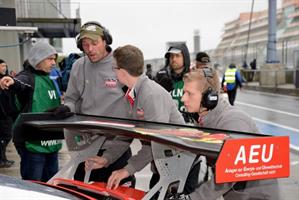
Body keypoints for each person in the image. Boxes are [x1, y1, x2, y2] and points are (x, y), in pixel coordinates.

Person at [84, 44, 185, 190]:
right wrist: (106, 159)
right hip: (164, 167)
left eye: (114, 68)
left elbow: (157, 142)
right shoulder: (132, 94)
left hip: (180, 168)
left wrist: (127, 170)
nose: (113, 72)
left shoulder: (151, 95)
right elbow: (126, 135)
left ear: (123, 71)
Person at [173, 67, 280, 200]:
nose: (183, 98)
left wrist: (193, 198)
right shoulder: (205, 120)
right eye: (184, 93)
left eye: (189, 93)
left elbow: (230, 174)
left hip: (257, 196)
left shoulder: (233, 122)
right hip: (238, 195)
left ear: (209, 97)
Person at [51, 21, 134, 184]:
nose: (89, 49)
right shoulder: (78, 66)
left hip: (115, 147)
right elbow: (71, 98)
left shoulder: (121, 65)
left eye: (94, 43)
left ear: (105, 41)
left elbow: (136, 101)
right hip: (86, 148)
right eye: (85, 44)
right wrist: (66, 108)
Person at [0, 42, 63, 182]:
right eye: (49, 59)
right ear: (38, 60)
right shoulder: (28, 77)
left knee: (52, 185)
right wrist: (11, 81)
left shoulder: (49, 78)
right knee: (34, 187)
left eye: (54, 59)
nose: (54, 63)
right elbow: (21, 83)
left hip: (51, 142)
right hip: (33, 144)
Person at [155, 43, 191, 122]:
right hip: (168, 124)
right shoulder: (161, 78)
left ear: (185, 58)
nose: (174, 59)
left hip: (189, 125)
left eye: (177, 56)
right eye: (171, 56)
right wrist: (160, 91)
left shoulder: (193, 78)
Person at [0, 59, 17, 168]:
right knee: (3, 137)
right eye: (2, 66)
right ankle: (1, 160)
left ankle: (3, 158)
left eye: (5, 66)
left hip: (7, 114)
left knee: (6, 137)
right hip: (2, 115)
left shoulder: (7, 80)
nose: (4, 68)